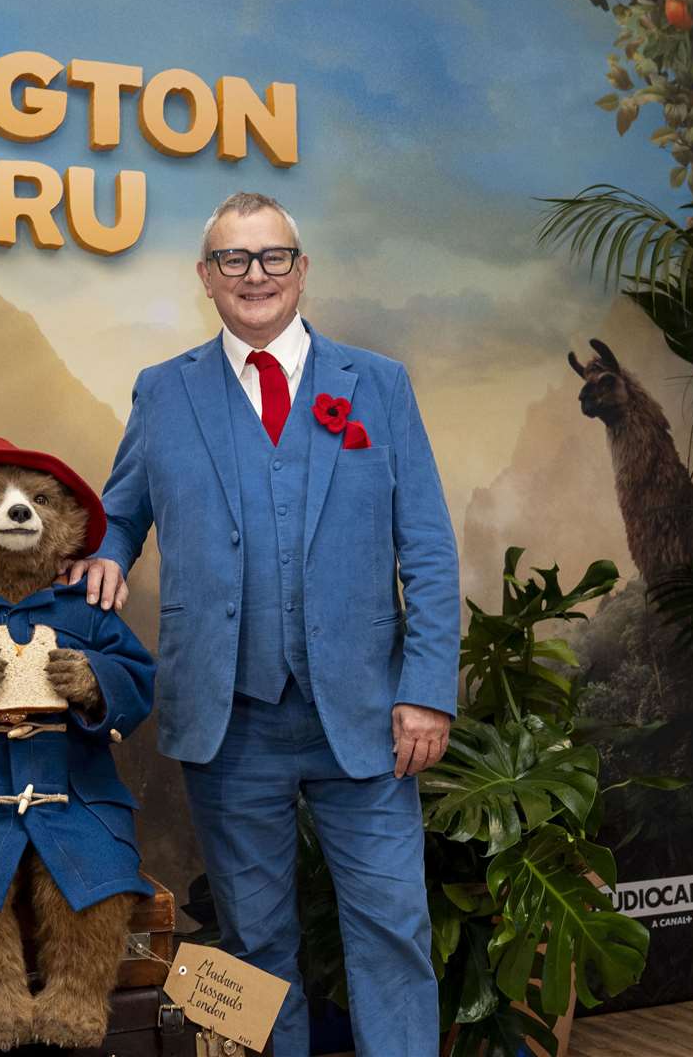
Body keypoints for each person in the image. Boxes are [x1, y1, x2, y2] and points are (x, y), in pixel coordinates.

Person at [69, 192, 459, 1057]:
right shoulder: (163, 392)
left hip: (366, 717)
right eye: (234, 260)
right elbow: (122, 511)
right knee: (253, 948)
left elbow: (427, 548)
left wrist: (426, 690)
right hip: (229, 718)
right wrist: (108, 553)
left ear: (302, 268)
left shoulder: (378, 387)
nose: (255, 275)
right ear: (206, 278)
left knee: (392, 935)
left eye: (272, 256)